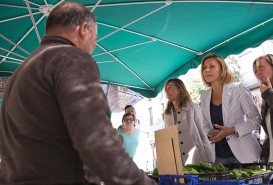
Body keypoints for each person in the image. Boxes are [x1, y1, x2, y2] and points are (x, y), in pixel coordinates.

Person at [0, 2, 156, 185]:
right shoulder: (72, 58)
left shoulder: (22, 71)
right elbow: (96, 139)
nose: (94, 45)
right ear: (84, 29)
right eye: (95, 36)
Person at [200, 53, 262, 164]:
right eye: (204, 67)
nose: (207, 70)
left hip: (245, 155)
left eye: (212, 66)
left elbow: (255, 119)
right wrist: (209, 132)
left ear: (222, 69)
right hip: (219, 158)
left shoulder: (238, 89)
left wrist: (233, 130)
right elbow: (204, 124)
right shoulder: (204, 96)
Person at [163, 78, 213, 165]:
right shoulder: (166, 114)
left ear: (180, 89)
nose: (167, 91)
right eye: (166, 89)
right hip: (177, 161)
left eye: (170, 87)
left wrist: (209, 159)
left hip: (196, 158)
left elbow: (202, 134)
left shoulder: (193, 108)